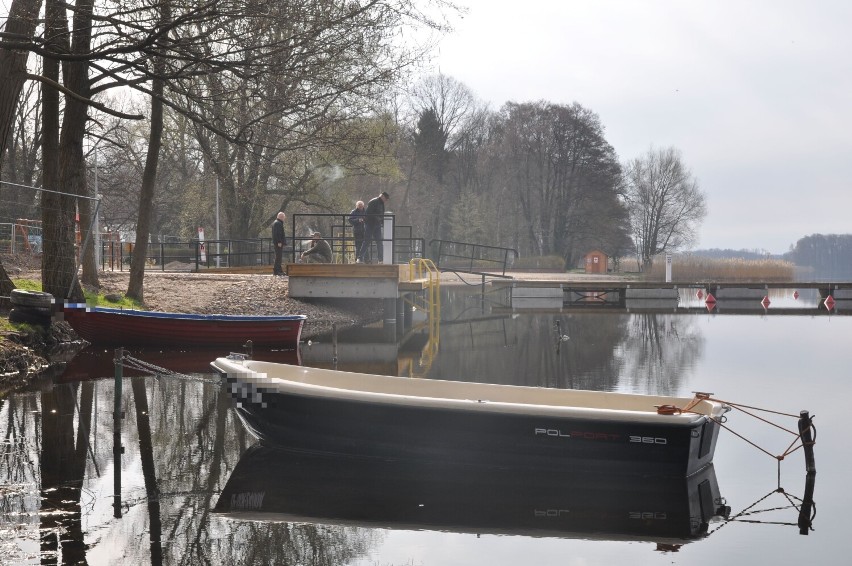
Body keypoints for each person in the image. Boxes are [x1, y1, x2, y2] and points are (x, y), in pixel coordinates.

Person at [358, 191, 389, 263]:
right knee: (367, 241)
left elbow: (381, 214)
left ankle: (380, 259)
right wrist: (377, 218)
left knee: (379, 242)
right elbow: (368, 213)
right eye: (386, 199)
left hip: (377, 225)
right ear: (383, 196)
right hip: (370, 224)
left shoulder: (381, 204)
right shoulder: (373, 202)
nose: (386, 200)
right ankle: (360, 258)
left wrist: (381, 221)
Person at [271, 211, 287, 275]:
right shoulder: (278, 223)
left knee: (278, 257)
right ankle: (277, 271)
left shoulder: (276, 223)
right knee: (278, 257)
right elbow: (277, 234)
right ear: (281, 217)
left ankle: (279, 270)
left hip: (277, 243)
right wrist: (279, 241)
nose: (284, 218)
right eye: (283, 217)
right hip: (278, 243)